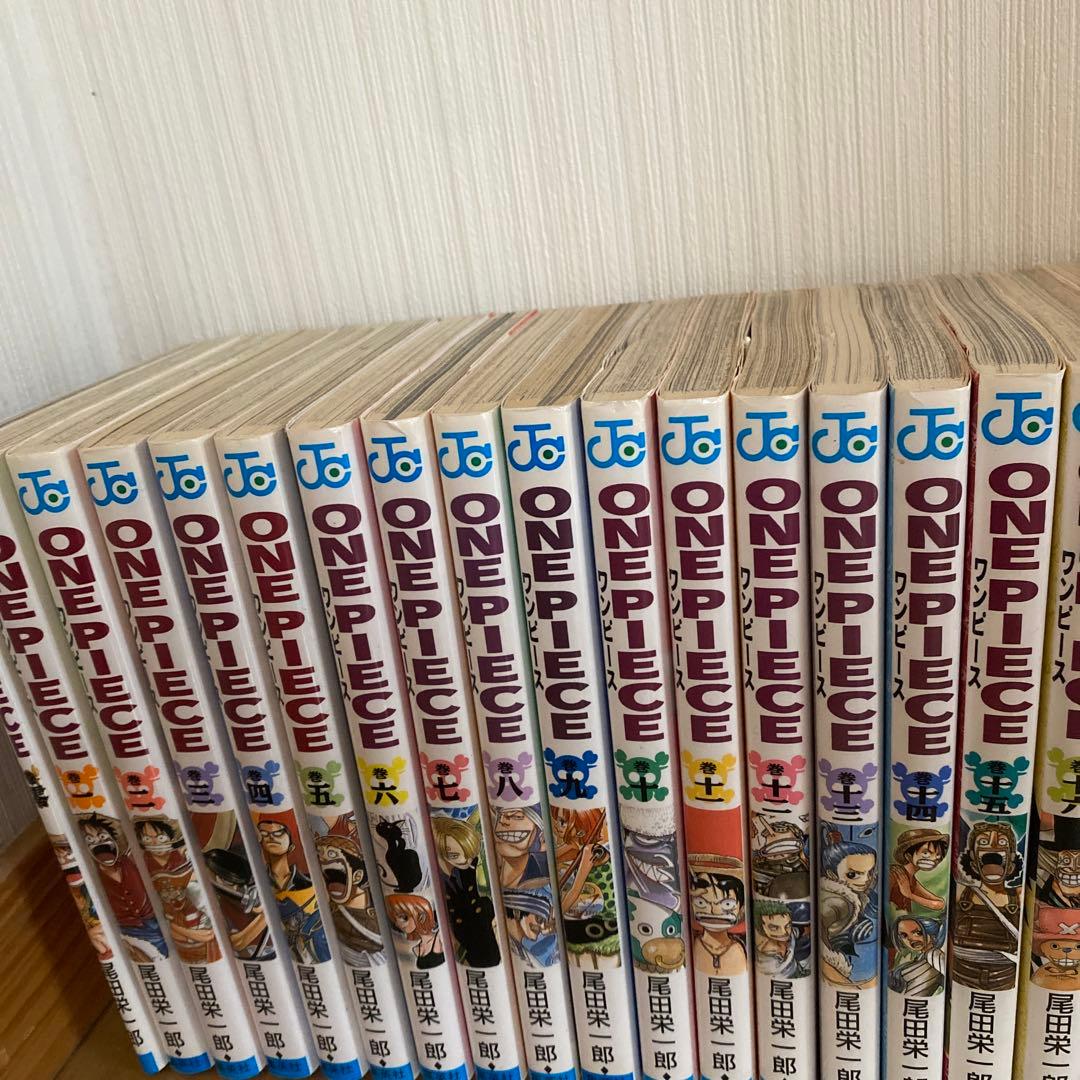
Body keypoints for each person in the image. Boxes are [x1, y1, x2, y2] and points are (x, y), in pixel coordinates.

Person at [431, 811, 500, 967]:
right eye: (455, 855)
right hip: (457, 933)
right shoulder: (436, 877)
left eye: (469, 854)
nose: (465, 860)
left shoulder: (469, 867)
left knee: (490, 959)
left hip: (482, 926)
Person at [688, 853, 747, 976]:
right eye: (701, 902)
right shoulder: (693, 945)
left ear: (741, 908)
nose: (713, 911)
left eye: (727, 904)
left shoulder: (739, 949)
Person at [888, 829, 947, 912]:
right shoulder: (895, 874)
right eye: (926, 853)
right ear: (908, 855)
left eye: (937, 855)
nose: (934, 859)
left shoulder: (911, 879)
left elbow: (939, 904)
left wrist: (910, 895)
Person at [887, 916, 945, 996]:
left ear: (932, 934)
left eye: (918, 933)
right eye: (904, 935)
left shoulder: (933, 954)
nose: (911, 939)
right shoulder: (921, 957)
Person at [386, 893, 444, 969]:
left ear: (421, 916)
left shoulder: (440, 937)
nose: (397, 924)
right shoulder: (415, 949)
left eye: (403, 917)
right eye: (395, 920)